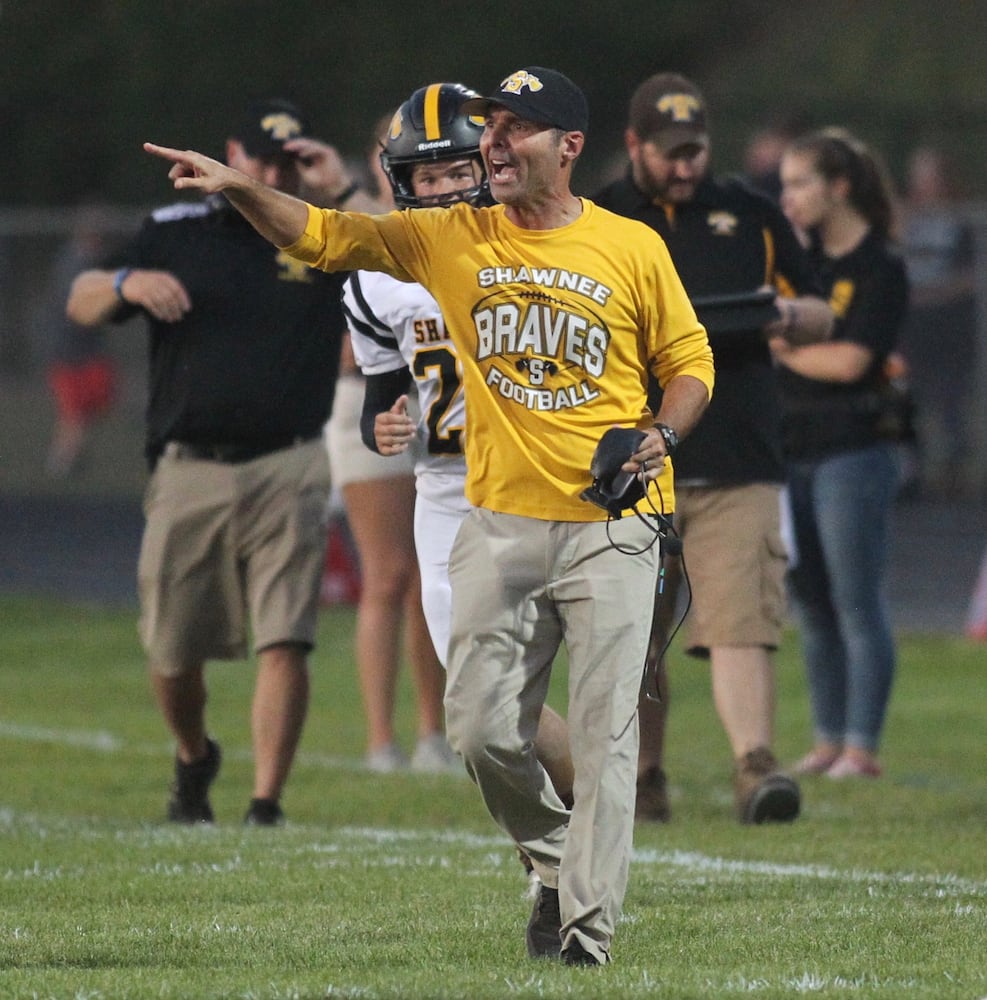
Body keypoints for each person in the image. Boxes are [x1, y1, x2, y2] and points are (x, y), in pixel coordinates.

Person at [144, 64, 715, 967]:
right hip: (485, 507)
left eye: (512, 129)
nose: (491, 145)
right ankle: (559, 860)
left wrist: (657, 436)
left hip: (615, 511)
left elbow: (689, 360)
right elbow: (325, 236)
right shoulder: (444, 238)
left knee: (607, 735)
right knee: (481, 729)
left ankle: (586, 935)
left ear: (566, 147)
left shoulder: (629, 244)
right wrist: (242, 187)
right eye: (487, 129)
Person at [66, 98, 359, 826]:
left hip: (289, 462)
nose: (270, 172)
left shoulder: (319, 238)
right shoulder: (175, 231)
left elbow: (403, 249)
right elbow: (82, 297)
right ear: (233, 153)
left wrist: (340, 188)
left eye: (286, 162)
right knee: (171, 647)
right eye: (260, 158)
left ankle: (265, 803)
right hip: (190, 463)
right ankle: (195, 754)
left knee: (286, 636)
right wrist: (128, 285)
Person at [594, 72, 834, 824]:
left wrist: (789, 315)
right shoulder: (599, 218)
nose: (685, 165)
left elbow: (823, 307)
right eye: (669, 153)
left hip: (737, 448)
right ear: (633, 145)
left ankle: (754, 767)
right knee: (634, 630)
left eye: (694, 150)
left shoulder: (750, 212)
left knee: (740, 617)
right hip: (635, 454)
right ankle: (641, 778)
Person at [347, 81, 575, 809]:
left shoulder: (540, 243)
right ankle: (583, 815)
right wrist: (381, 425)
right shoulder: (380, 275)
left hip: (546, 481)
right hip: (447, 493)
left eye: (455, 172)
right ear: (401, 181)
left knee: (607, 665)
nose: (443, 190)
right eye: (427, 176)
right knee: (479, 688)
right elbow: (385, 395)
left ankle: (597, 816)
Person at [323, 111, 457, 775]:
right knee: (388, 573)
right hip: (376, 396)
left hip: (450, 404)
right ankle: (382, 738)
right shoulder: (364, 228)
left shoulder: (468, 224)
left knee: (432, 577)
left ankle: (436, 729)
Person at [774, 127, 909, 778]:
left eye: (800, 182)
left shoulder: (878, 265)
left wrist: (783, 348)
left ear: (839, 188)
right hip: (792, 447)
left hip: (853, 451)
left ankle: (861, 746)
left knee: (856, 601)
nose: (788, 197)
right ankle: (828, 739)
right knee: (812, 602)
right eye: (784, 185)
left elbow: (851, 360)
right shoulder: (799, 264)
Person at [898, 145, 977, 497]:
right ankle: (913, 473)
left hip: (949, 328)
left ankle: (954, 474)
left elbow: (969, 276)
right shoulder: (907, 219)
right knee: (908, 401)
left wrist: (931, 294)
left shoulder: (960, 221)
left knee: (950, 406)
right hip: (914, 329)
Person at [40, 204, 121, 477]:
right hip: (69, 350)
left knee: (93, 403)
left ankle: (68, 459)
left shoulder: (95, 259)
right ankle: (61, 463)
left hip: (87, 350)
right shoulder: (72, 263)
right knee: (74, 413)